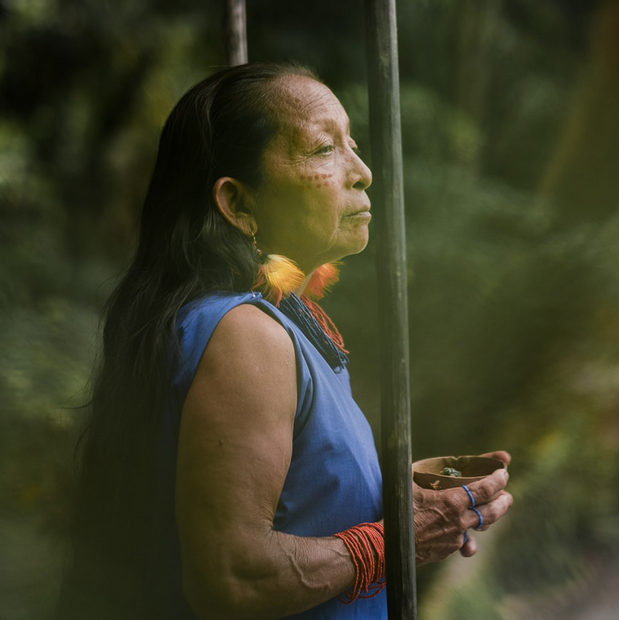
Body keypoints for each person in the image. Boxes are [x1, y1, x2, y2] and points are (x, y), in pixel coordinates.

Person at [58, 62, 513, 620]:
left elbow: (297, 505)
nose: (364, 171)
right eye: (324, 150)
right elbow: (234, 578)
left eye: (352, 144)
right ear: (239, 205)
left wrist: (404, 505)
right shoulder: (246, 335)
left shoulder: (266, 323)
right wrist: (396, 541)